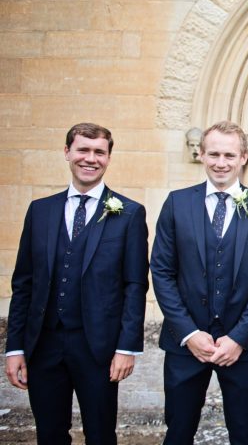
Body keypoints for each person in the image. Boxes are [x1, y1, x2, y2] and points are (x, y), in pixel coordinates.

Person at [5, 123, 149, 444]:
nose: (90, 158)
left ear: (109, 158)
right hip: (44, 345)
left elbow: (135, 285)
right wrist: (15, 347)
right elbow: (24, 284)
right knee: (50, 434)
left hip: (98, 347)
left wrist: (127, 348)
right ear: (67, 152)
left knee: (100, 435)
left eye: (99, 152)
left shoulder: (129, 213)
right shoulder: (40, 211)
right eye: (83, 149)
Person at [151, 121, 248, 444]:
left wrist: (238, 338)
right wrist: (189, 334)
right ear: (201, 154)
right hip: (186, 345)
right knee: (178, 431)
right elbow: (162, 272)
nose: (221, 162)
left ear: (244, 158)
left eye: (229, 155)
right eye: (213, 154)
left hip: (241, 345)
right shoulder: (176, 203)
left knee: (245, 432)